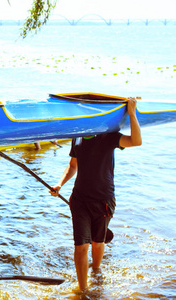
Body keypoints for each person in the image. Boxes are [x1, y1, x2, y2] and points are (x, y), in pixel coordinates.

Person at [49, 97, 142, 292]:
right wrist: (60, 184)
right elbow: (73, 165)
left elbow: (136, 141)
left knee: (97, 243)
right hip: (80, 199)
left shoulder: (109, 135)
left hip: (104, 200)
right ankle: (83, 291)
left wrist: (132, 114)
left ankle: (96, 273)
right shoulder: (78, 136)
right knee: (80, 246)